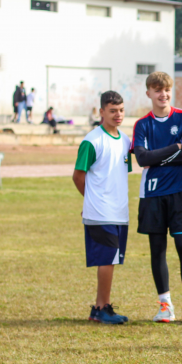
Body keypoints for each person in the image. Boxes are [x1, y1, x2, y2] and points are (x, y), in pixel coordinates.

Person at [132, 72, 182, 324]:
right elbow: (141, 159)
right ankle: (165, 306)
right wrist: (174, 147)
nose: (163, 94)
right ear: (149, 93)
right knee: (157, 250)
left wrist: (156, 155)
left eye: (166, 89)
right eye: (157, 89)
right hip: (151, 194)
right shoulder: (142, 124)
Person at [72, 91, 132, 325]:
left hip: (120, 212)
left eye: (121, 110)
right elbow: (78, 176)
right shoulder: (92, 140)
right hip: (101, 212)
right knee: (106, 259)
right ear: (102, 112)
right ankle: (102, 308)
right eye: (113, 111)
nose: (118, 115)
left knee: (113, 259)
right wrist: (90, 202)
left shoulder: (126, 140)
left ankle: (100, 307)